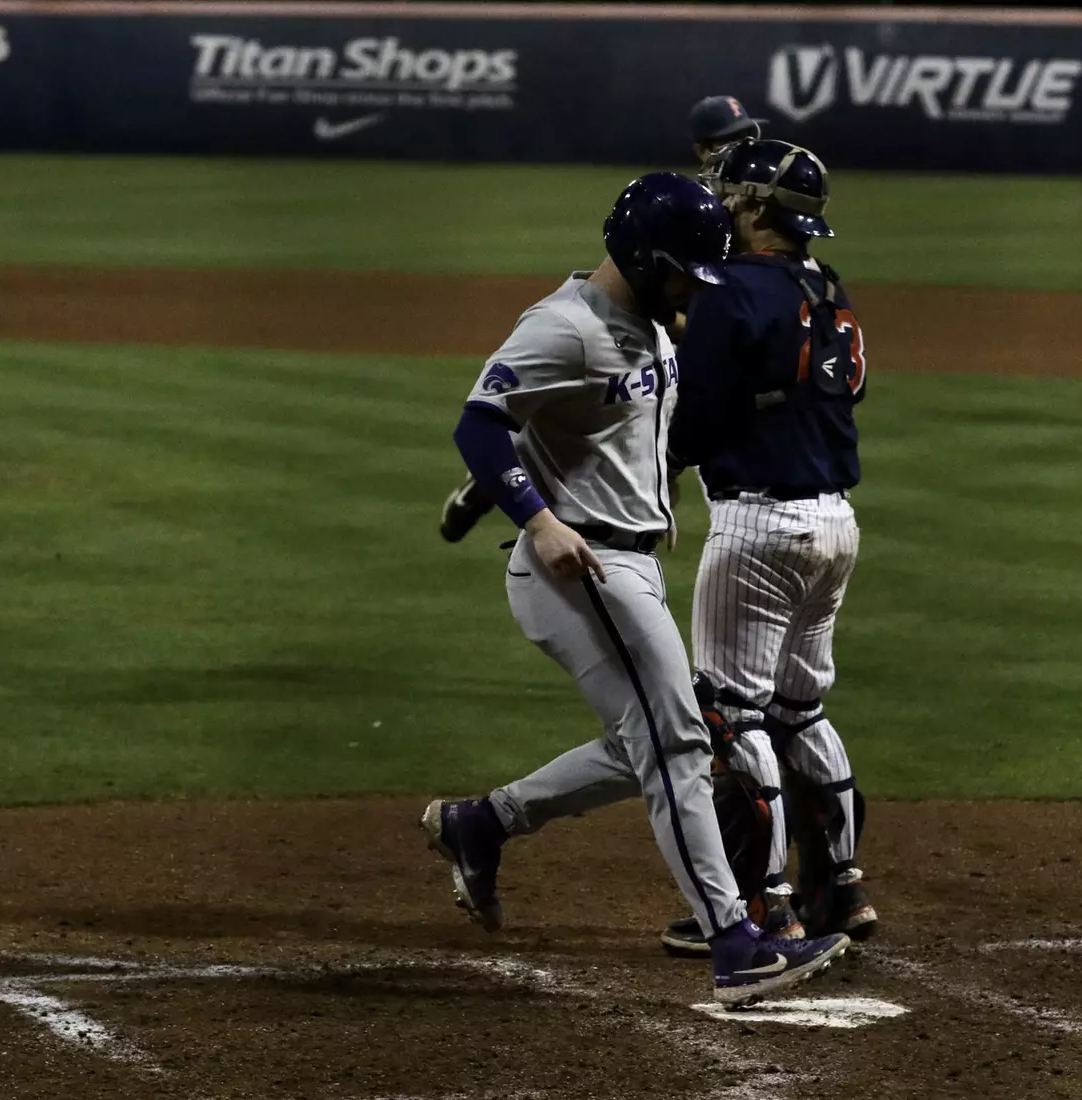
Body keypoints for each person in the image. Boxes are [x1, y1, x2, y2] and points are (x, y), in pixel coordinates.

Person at [421, 173, 849, 1006]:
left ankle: (482, 821)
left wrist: (651, 501)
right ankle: (735, 945)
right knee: (682, 745)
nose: (695, 290)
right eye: (686, 273)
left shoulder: (652, 320)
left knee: (648, 741)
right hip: (581, 570)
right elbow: (480, 422)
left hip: (631, 560)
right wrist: (537, 519)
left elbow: (617, 423)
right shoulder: (564, 328)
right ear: (645, 261)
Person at [657, 139, 880, 958]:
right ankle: (845, 888)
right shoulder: (827, 286)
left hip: (756, 528)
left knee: (731, 718)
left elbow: (698, 409)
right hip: (836, 526)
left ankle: (768, 906)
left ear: (755, 210)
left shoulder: (725, 286)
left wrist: (667, 463)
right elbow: (844, 387)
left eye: (732, 196)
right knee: (802, 709)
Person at [436, 94, 765, 544]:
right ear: (702, 149)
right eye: (729, 140)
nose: (742, 146)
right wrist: (696, 336)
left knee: (645, 412)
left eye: (749, 136)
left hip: (676, 337)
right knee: (605, 396)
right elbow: (648, 291)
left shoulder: (743, 205)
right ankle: (496, 475)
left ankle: (517, 464)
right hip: (653, 332)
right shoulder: (686, 207)